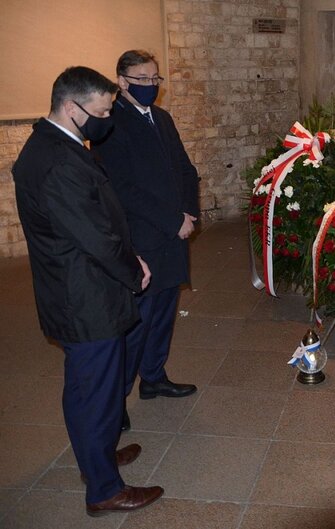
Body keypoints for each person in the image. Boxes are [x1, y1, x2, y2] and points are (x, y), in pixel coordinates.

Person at [12, 66, 164, 516]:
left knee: (84, 387)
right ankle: (104, 489)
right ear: (71, 107)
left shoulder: (54, 144)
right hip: (85, 298)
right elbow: (94, 236)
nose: (107, 116)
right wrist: (133, 272)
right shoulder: (58, 161)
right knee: (95, 393)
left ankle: (94, 457)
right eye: (101, 109)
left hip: (76, 289)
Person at [93, 50, 199, 424]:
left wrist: (189, 214)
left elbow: (186, 170)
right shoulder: (108, 125)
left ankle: (153, 378)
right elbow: (123, 189)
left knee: (164, 315)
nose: (151, 86)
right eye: (143, 79)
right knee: (136, 324)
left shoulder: (163, 118)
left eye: (156, 79)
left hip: (173, 234)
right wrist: (173, 220)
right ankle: (116, 400)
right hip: (143, 237)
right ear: (122, 82)